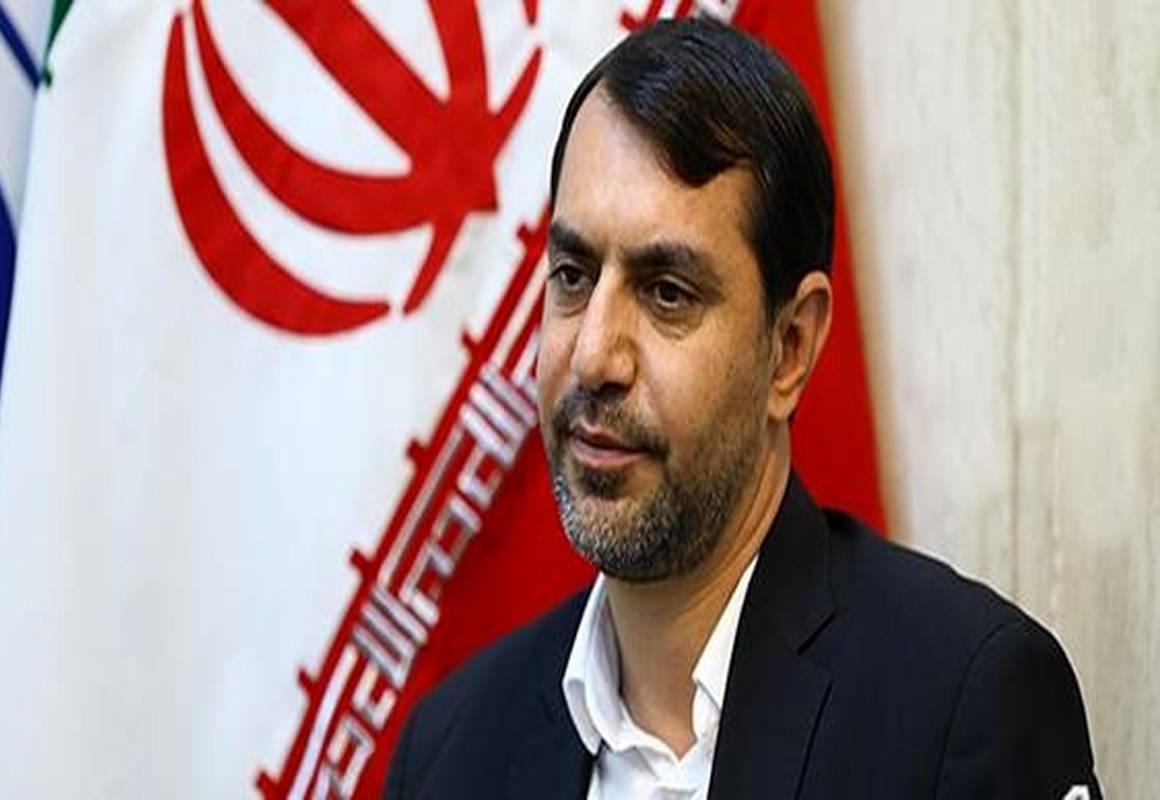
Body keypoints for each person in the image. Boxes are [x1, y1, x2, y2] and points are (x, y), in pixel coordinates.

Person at [383, 17, 1101, 799]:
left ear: (789, 348)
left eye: (667, 293)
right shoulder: (449, 751)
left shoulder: (965, 706)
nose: (593, 357)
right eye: (573, 275)